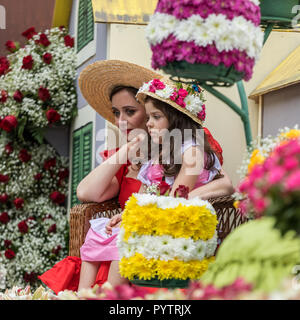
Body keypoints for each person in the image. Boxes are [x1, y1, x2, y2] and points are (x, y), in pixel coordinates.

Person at [38, 60, 234, 294]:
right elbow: (85, 193)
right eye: (116, 113)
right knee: (100, 233)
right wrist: (129, 148)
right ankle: (83, 294)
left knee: (123, 247)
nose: (122, 121)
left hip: (154, 233)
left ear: (171, 117)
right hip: (132, 229)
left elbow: (222, 184)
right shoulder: (138, 157)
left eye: (131, 111)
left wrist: (185, 197)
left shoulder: (188, 145)